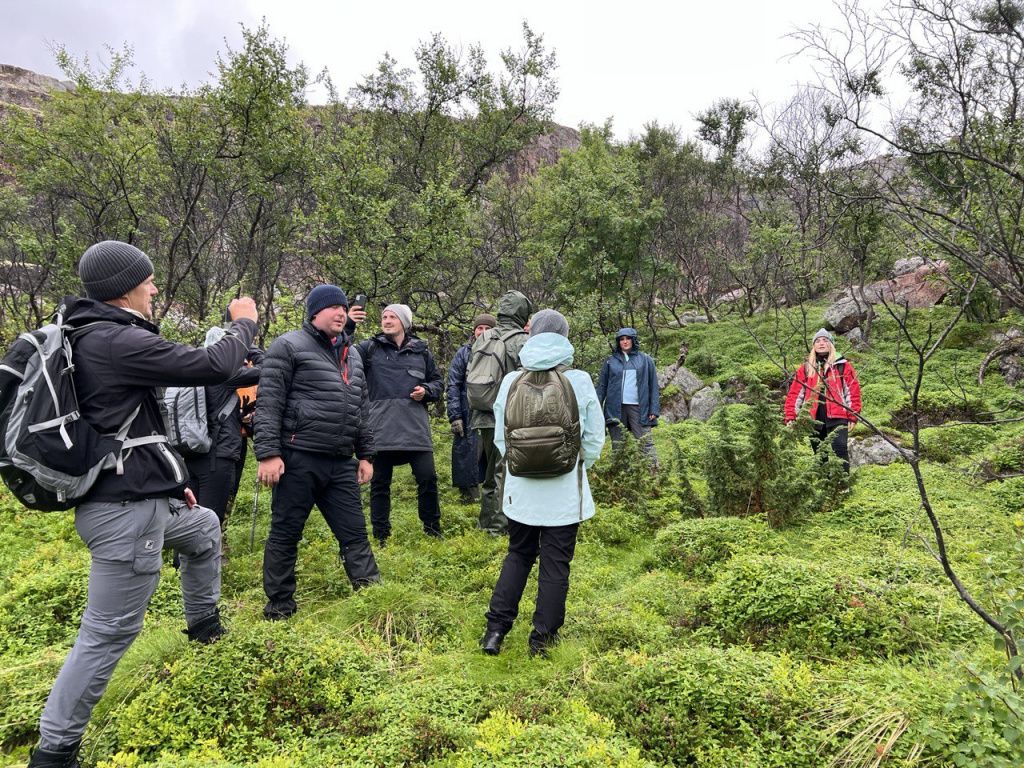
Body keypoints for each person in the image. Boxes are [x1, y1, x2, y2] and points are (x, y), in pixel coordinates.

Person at [25, 241, 258, 768]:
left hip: (145, 500)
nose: (155, 288)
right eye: (148, 281)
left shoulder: (96, 336)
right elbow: (213, 364)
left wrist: (171, 484)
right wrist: (242, 323)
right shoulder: (111, 340)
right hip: (124, 515)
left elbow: (130, 425)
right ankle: (54, 751)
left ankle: (205, 630)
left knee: (204, 529)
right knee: (109, 633)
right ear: (125, 289)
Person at [479, 309, 605, 658]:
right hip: (565, 493)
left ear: (531, 336)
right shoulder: (578, 379)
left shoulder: (511, 380)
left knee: (518, 555)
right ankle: (542, 641)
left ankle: (495, 631)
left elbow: (502, 439)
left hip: (521, 492)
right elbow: (594, 435)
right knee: (555, 563)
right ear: (564, 336)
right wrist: (578, 465)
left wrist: (521, 464)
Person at [255, 284, 379, 621]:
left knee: (354, 532)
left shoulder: (352, 354)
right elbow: (269, 403)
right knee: (286, 531)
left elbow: (360, 408)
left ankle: (373, 599)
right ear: (315, 312)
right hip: (298, 457)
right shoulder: (288, 346)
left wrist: (366, 455)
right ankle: (279, 608)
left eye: (344, 308)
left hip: (340, 462)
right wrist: (268, 453)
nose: (341, 313)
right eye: (333, 307)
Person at [356, 304, 444, 545]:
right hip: (380, 428)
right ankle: (381, 536)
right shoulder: (368, 349)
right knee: (380, 484)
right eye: (384, 316)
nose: (386, 320)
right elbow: (343, 358)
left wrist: (426, 390)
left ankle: (432, 530)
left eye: (392, 316)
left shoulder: (421, 351)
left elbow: (438, 383)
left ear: (404, 322)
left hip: (415, 429)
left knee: (428, 479)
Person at [184, 324, 263, 527]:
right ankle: (208, 557)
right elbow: (268, 367)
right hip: (218, 456)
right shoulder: (224, 372)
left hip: (192, 453)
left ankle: (180, 560)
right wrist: (247, 346)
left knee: (191, 516)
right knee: (210, 521)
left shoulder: (194, 368)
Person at [469, 290, 532, 535]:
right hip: (507, 416)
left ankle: (485, 523)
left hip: (482, 413)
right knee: (502, 471)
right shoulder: (521, 341)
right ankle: (498, 528)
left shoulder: (483, 337)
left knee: (489, 471)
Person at [783, 328, 862, 472]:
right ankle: (824, 484)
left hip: (838, 416)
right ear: (813, 346)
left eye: (825, 340)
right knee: (820, 453)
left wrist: (853, 415)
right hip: (814, 418)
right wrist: (790, 415)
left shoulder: (842, 366)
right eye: (817, 341)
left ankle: (843, 485)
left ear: (831, 344)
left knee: (840, 449)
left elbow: (852, 391)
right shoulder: (806, 368)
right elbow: (795, 394)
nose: (821, 343)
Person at [447, 314, 496, 503]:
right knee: (468, 455)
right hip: (468, 413)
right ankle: (468, 497)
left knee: (491, 454)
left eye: (487, 329)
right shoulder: (463, 353)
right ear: (474, 331)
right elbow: (453, 385)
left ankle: (490, 497)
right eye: (479, 328)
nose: (482, 332)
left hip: (491, 412)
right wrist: (455, 415)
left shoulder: (499, 351)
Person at [596, 327, 660, 464]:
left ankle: (654, 476)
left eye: (628, 338)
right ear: (618, 342)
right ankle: (621, 477)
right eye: (621, 339)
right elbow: (602, 386)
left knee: (645, 443)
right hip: (615, 408)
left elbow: (653, 385)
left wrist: (653, 409)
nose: (625, 342)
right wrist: (596, 406)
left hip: (639, 407)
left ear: (633, 340)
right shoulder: (610, 361)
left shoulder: (645, 360)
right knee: (618, 446)